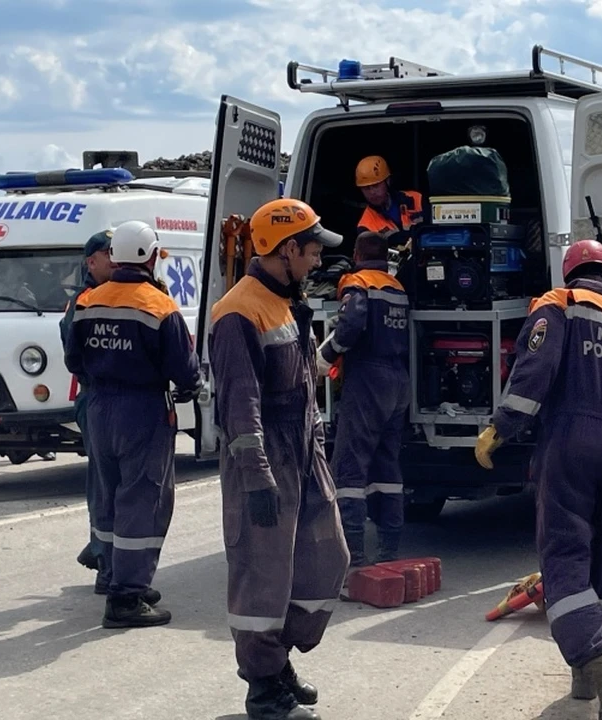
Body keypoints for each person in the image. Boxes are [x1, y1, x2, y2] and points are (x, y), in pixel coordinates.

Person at [473, 239, 602, 720]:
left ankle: (601, 667)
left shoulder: (559, 305)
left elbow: (535, 371)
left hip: (573, 441)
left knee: (564, 555)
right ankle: (590, 682)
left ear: (571, 274)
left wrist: (501, 426)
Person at [208, 199, 350, 720]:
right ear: (286, 249)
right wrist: (258, 477)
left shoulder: (287, 302)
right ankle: (264, 688)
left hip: (305, 455)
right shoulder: (237, 313)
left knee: (329, 559)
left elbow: (304, 377)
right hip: (265, 462)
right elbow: (240, 406)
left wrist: (333, 344)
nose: (317, 261)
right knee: (262, 579)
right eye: (312, 251)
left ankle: (278, 658)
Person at [64, 220, 203, 629]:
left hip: (99, 406)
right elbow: (184, 366)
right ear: (151, 256)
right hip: (141, 410)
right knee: (143, 500)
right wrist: (191, 386)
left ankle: (117, 577)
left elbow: (73, 359)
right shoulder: (158, 305)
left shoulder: (88, 301)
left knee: (109, 496)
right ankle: (126, 598)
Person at [316, 231, 410, 578]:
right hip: (398, 382)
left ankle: (353, 555)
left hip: (368, 379)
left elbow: (351, 323)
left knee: (349, 468)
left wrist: (325, 356)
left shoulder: (358, 284)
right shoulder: (397, 288)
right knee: (388, 466)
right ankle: (389, 548)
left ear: (357, 253)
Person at [60, 229, 115, 585]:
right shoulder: (83, 300)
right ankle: (102, 556)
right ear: (91, 262)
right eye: (109, 253)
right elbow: (74, 357)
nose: (115, 258)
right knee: (104, 484)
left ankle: (103, 551)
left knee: (115, 484)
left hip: (111, 399)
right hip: (97, 396)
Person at [354, 155, 424, 244]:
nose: (372, 192)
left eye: (376, 186)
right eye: (366, 188)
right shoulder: (366, 225)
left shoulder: (416, 198)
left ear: (387, 181)